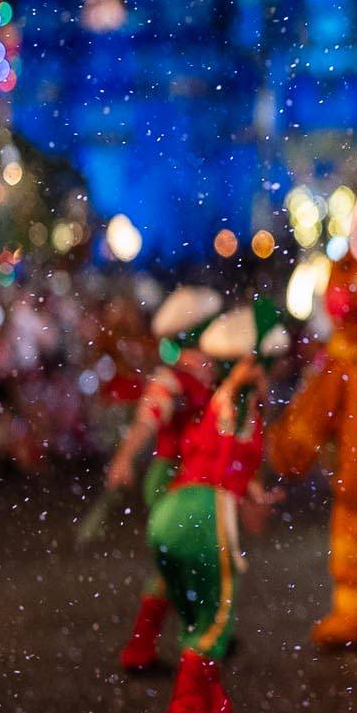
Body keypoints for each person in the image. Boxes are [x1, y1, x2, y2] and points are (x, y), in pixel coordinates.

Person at [145, 306, 288, 713]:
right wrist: (248, 365)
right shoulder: (238, 398)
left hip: (170, 511)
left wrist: (254, 494)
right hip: (206, 513)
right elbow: (226, 463)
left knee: (194, 621)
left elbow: (223, 457)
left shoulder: (223, 402)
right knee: (213, 623)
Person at [102, 286, 224, 672]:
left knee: (188, 562)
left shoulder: (202, 377)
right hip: (174, 478)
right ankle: (162, 644)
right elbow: (146, 421)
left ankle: (198, 634)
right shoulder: (172, 380)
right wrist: (123, 459)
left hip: (193, 478)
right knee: (175, 564)